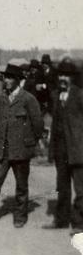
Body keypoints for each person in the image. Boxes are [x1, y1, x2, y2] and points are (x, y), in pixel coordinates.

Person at [0, 64, 44, 228]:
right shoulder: (1, 98)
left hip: (21, 150)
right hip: (3, 149)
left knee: (21, 185)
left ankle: (20, 217)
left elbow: (38, 125)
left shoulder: (28, 99)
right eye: (5, 77)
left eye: (10, 77)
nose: (6, 80)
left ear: (18, 80)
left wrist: (29, 143)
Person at [46, 60, 83, 233]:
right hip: (61, 151)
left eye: (66, 75)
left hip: (78, 150)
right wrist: (51, 150)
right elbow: (54, 125)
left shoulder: (80, 95)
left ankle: (79, 223)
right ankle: (61, 220)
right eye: (60, 75)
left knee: (81, 189)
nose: (63, 78)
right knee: (62, 187)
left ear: (73, 78)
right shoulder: (55, 95)